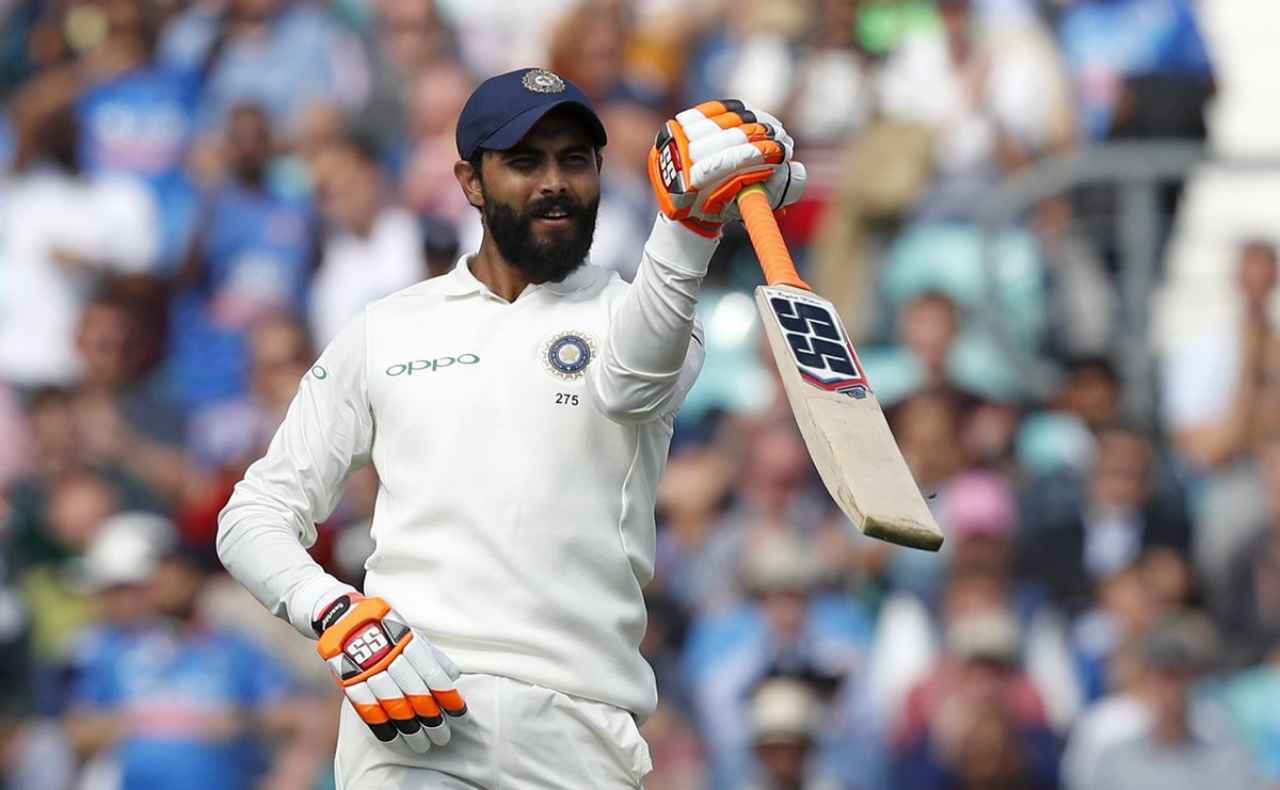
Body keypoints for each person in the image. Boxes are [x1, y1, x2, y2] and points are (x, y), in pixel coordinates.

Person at [217, 68, 806, 788]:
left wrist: (689, 226)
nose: (554, 183)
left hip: (580, 728)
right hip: (413, 712)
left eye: (574, 160)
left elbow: (633, 378)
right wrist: (336, 613)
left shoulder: (645, 315)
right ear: (470, 181)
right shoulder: (388, 330)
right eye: (525, 162)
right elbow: (254, 515)